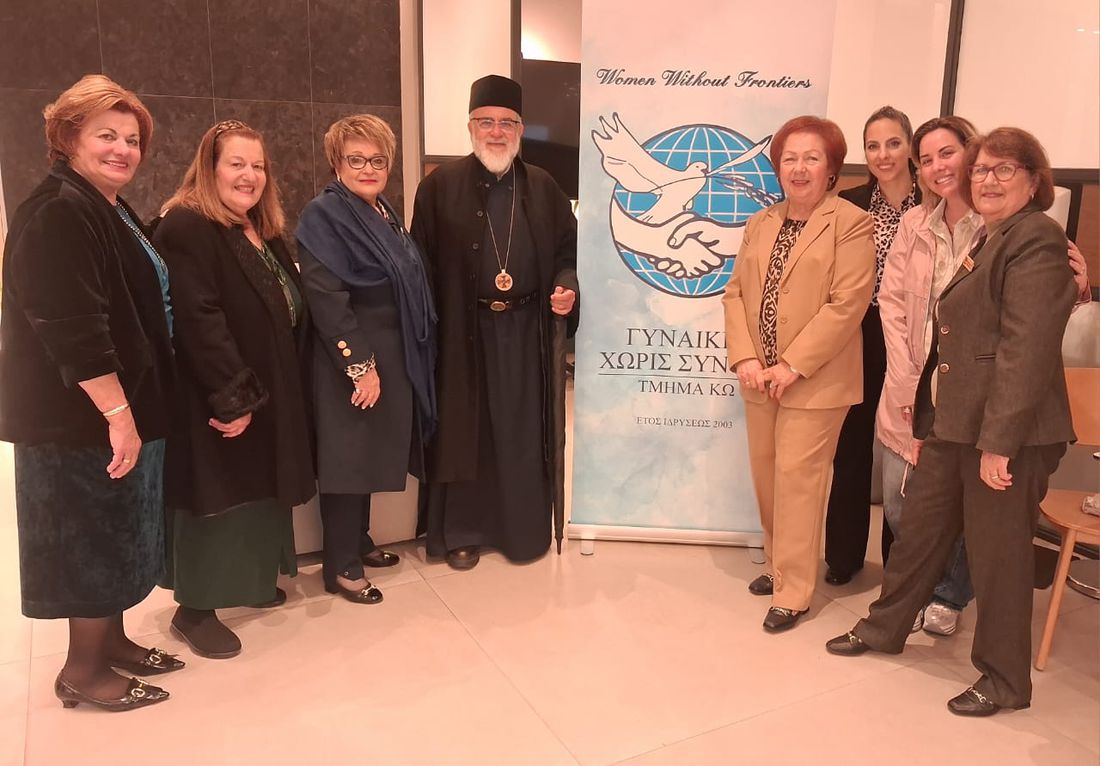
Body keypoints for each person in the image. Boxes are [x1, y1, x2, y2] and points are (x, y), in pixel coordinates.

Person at [827, 127, 1078, 718]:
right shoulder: (990, 237)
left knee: (998, 557)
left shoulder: (1036, 239)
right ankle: (885, 626)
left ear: (1033, 181)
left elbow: (1024, 351)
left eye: (1004, 170)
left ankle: (1004, 679)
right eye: (982, 169)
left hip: (1007, 434)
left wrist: (1000, 445)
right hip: (953, 423)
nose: (988, 180)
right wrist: (929, 419)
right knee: (920, 532)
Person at [0, 75, 177, 710]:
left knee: (118, 532)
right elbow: (73, 327)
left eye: (132, 139)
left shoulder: (104, 204)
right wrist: (119, 414)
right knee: (90, 539)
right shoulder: (58, 210)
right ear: (68, 136)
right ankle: (83, 670)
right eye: (107, 135)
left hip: (114, 410)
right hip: (80, 421)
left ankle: (113, 642)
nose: (123, 149)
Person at [153, 120, 315, 658]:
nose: (250, 175)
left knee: (258, 493)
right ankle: (195, 610)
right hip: (219, 395)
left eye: (258, 165)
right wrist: (233, 396)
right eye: (236, 164)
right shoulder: (188, 225)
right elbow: (198, 319)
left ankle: (247, 579)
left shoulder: (258, 228)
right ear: (210, 168)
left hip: (269, 386)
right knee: (219, 497)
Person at [411, 74, 579, 570]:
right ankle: (463, 532)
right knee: (468, 431)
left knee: (521, 430)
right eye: (486, 122)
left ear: (521, 129)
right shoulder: (438, 187)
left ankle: (521, 532)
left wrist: (566, 286)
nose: (497, 131)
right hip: (463, 331)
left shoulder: (545, 188)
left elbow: (568, 253)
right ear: (470, 126)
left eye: (507, 122)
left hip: (526, 330)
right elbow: (420, 264)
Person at [722, 116, 875, 632]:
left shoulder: (851, 223)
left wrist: (792, 364)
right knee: (768, 478)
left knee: (798, 482)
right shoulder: (760, 222)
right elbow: (736, 293)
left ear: (832, 168)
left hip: (816, 379)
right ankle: (778, 564)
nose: (799, 168)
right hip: (758, 378)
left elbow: (847, 304)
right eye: (790, 158)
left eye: (812, 158)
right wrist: (746, 357)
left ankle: (794, 592)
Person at [296, 114, 437, 603]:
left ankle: (358, 540)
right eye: (356, 159)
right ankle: (341, 566)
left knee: (368, 453)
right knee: (348, 459)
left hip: (389, 353)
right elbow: (326, 297)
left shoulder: (381, 211)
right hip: (351, 358)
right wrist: (360, 365)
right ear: (337, 162)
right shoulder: (324, 215)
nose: (368, 169)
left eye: (377, 160)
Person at [823, 106, 920, 585]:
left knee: (903, 453)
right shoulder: (850, 203)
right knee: (852, 446)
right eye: (873, 145)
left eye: (893, 143)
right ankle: (843, 557)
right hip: (858, 334)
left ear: (910, 148)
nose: (883, 155)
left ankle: (899, 565)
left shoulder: (934, 203)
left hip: (912, 337)